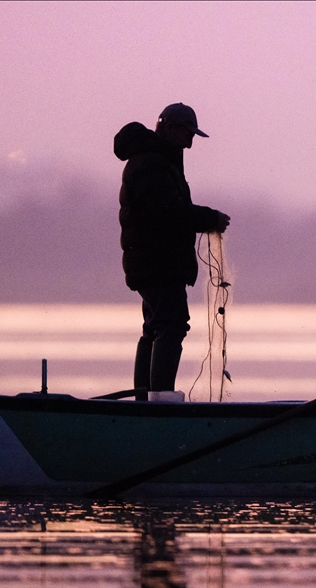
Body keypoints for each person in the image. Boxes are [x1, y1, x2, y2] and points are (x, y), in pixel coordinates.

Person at [114, 103, 230, 401]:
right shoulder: (152, 163)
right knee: (171, 325)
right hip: (158, 263)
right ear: (167, 129)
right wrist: (209, 218)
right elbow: (169, 212)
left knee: (155, 327)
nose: (190, 142)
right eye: (186, 133)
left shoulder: (156, 160)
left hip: (153, 263)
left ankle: (145, 399)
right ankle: (158, 401)